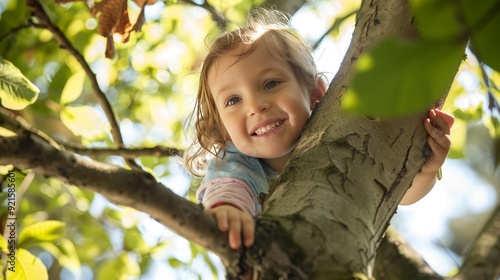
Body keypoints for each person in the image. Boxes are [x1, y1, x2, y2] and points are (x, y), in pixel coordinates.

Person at [184, 9, 455, 250]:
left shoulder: (338, 133)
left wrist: (426, 170)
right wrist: (228, 210)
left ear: (315, 92)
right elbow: (229, 187)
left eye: (270, 84)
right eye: (233, 100)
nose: (255, 106)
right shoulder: (235, 162)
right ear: (223, 130)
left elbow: (397, 192)